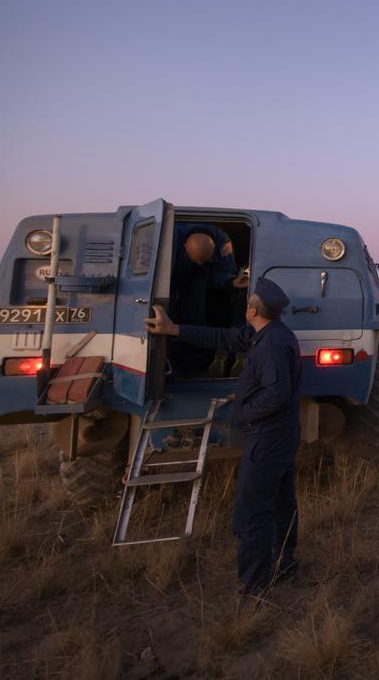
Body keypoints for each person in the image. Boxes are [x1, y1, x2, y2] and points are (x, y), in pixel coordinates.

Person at [145, 277, 303, 595]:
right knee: (281, 502)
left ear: (254, 311)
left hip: (267, 438)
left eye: (247, 303)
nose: (244, 307)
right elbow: (227, 338)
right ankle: (284, 563)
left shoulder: (270, 345)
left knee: (252, 511)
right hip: (281, 435)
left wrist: (243, 413)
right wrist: (174, 330)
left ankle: (254, 584)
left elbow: (277, 394)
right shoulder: (269, 333)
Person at [167, 223, 248, 377]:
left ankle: (195, 365)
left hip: (200, 278)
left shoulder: (222, 242)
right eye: (196, 259)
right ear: (184, 246)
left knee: (195, 316)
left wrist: (231, 281)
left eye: (203, 259)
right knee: (169, 313)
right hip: (171, 277)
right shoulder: (169, 237)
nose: (199, 262)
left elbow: (222, 272)